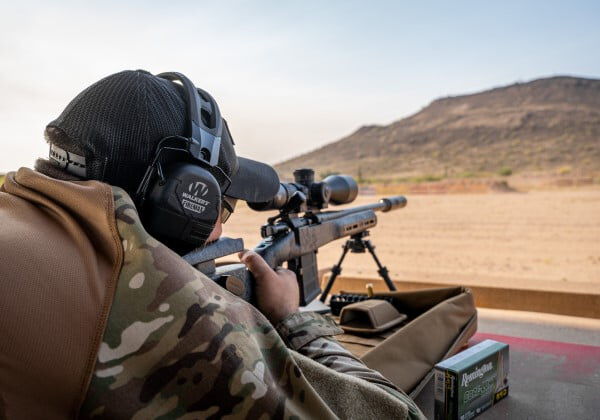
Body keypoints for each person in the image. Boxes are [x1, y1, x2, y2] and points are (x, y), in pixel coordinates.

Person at [0, 70, 425, 419]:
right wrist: (294, 321)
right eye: (217, 211)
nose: (219, 232)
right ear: (180, 197)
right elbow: (397, 414)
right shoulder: (151, 301)